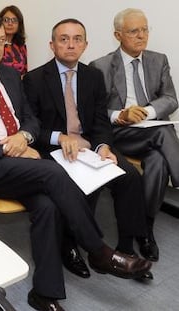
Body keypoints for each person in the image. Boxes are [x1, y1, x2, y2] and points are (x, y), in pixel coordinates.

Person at [0, 11, 151, 311]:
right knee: (51, 171)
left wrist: (23, 137)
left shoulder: (10, 75)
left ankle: (44, 293)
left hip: (19, 165)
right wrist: (10, 147)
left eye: (1, 41)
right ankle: (98, 250)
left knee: (47, 205)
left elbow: (31, 121)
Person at [23, 18, 152, 282]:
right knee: (80, 184)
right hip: (54, 150)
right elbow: (31, 126)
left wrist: (104, 146)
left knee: (129, 177)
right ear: (52, 44)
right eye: (64, 39)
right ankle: (69, 248)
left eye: (77, 39)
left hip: (91, 147)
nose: (71, 45)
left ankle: (125, 250)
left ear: (85, 44)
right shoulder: (34, 79)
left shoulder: (93, 76)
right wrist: (59, 138)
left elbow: (100, 122)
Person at [90, 8, 179, 263]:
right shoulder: (102, 65)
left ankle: (146, 231)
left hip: (150, 131)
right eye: (134, 31)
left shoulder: (158, 60)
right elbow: (94, 111)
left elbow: (171, 99)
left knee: (158, 163)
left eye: (145, 29)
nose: (142, 36)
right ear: (118, 35)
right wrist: (120, 115)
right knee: (163, 131)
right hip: (121, 133)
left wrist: (148, 112)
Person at [0, 5, 27, 77]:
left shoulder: (21, 46)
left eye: (14, 20)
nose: (10, 23)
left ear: (19, 25)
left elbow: (25, 72)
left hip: (18, 85)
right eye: (6, 20)